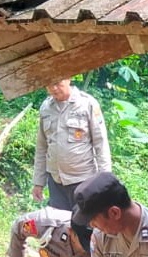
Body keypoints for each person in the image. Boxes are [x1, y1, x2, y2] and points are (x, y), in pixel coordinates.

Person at [34, 77, 110, 211]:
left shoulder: (87, 104)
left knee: (83, 226)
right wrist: (38, 182)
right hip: (56, 182)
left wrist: (105, 181)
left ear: (68, 79)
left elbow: (101, 143)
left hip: (83, 180)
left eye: (57, 83)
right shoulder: (46, 107)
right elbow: (42, 147)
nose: (53, 88)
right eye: (49, 84)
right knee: (59, 226)